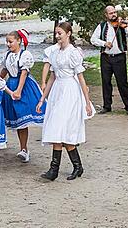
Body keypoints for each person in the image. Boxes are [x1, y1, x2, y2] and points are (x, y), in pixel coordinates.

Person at [38, 21, 95, 181]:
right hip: (57, 91)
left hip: (70, 91)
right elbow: (52, 77)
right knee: (57, 129)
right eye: (56, 33)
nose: (57, 36)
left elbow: (81, 78)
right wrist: (43, 99)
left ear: (68, 34)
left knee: (63, 129)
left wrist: (87, 102)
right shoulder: (55, 53)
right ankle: (59, 169)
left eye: (60, 33)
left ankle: (69, 167)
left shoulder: (73, 53)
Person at [0, 29, 45, 162]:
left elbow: (24, 73)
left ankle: (24, 149)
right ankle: (23, 148)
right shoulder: (7, 55)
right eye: (7, 42)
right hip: (11, 84)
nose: (8, 44)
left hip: (24, 86)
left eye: (11, 41)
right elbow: (3, 71)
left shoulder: (25, 54)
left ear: (18, 41)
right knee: (18, 120)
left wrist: (19, 90)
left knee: (23, 117)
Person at [90, 5, 128, 115]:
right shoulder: (101, 26)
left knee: (122, 82)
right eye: (111, 13)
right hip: (105, 57)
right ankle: (107, 106)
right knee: (106, 82)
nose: (114, 14)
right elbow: (93, 39)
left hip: (119, 57)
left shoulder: (122, 25)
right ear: (106, 15)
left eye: (115, 12)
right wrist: (104, 43)